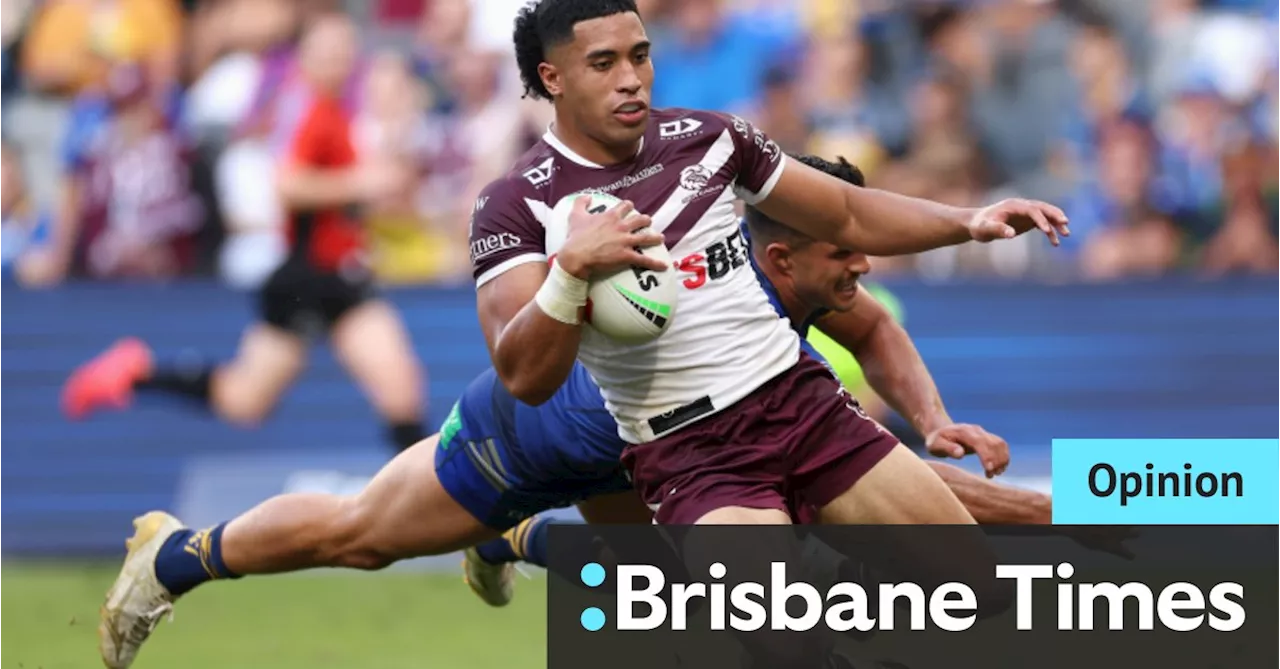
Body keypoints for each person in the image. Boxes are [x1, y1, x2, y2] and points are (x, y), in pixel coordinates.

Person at [95, 151, 1071, 669]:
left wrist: (932, 417)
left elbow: (875, 338)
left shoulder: (783, 286)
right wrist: (1064, 512)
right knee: (362, 534)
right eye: (839, 252)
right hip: (541, 434)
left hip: (663, 458)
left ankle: (516, 545)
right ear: (781, 256)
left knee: (684, 608)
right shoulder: (718, 282)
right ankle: (178, 556)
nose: (857, 265)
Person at [470, 0, 1069, 530]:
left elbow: (847, 214)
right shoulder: (515, 203)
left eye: (640, 56)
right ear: (554, 77)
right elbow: (525, 377)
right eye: (604, 64)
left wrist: (968, 219)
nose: (631, 80)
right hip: (690, 450)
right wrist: (572, 270)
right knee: (777, 636)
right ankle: (525, 541)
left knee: (973, 594)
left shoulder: (710, 139)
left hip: (801, 402)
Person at [60, 14, 429, 455]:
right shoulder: (305, 107)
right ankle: (136, 372)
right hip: (308, 275)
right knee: (252, 401)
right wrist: (362, 182)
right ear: (303, 56)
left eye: (345, 50)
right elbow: (288, 185)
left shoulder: (333, 110)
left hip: (336, 274)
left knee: (391, 393)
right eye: (327, 50)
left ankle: (434, 512)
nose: (339, 59)